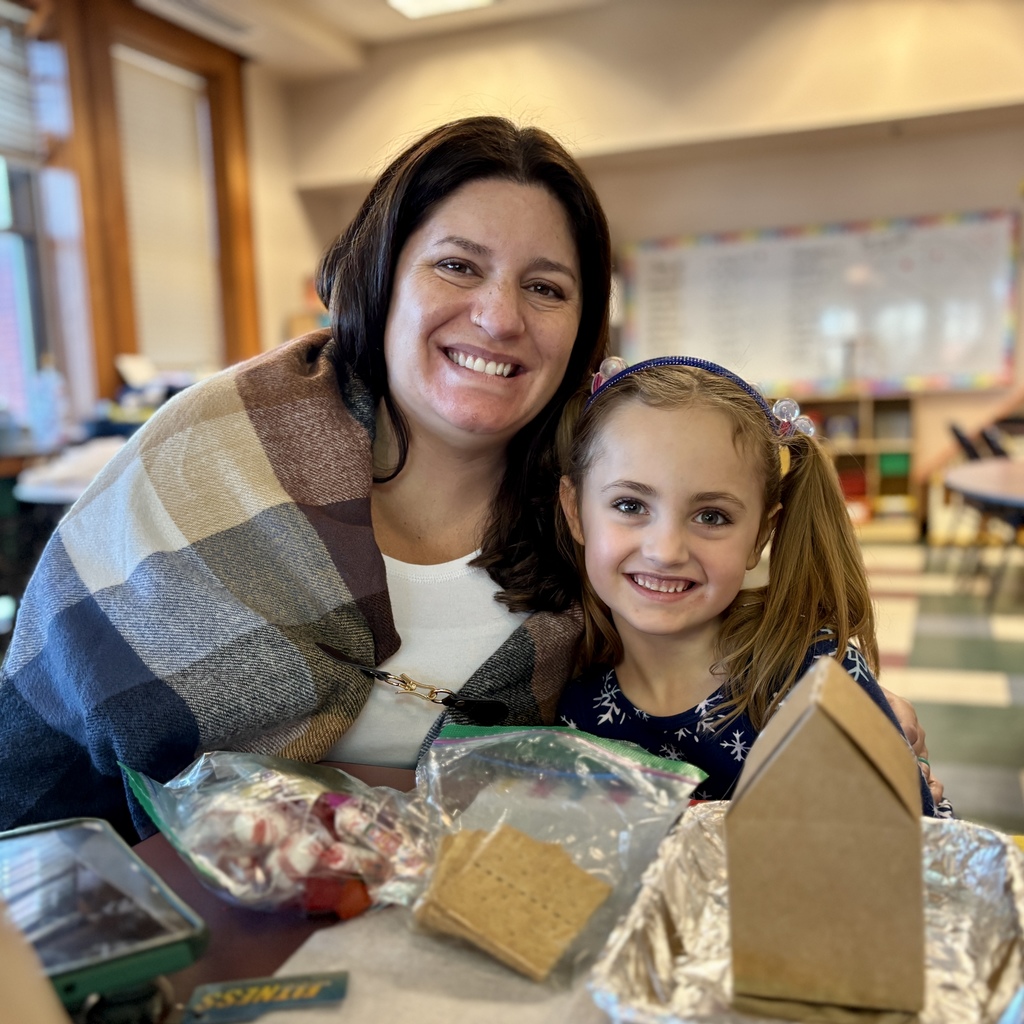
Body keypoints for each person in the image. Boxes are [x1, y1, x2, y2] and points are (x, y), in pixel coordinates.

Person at [0, 116, 935, 843]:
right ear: (385, 278)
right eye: (457, 265)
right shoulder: (217, 444)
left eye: (547, 286)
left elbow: (691, 576)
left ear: (584, 327)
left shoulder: (583, 498)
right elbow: (60, 714)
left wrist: (832, 693)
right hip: (126, 887)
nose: (498, 316)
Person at [554, 356, 950, 816]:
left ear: (761, 534)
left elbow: (908, 855)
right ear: (575, 511)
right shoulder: (576, 710)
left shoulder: (812, 683)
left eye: (711, 516)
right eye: (629, 505)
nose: (665, 550)